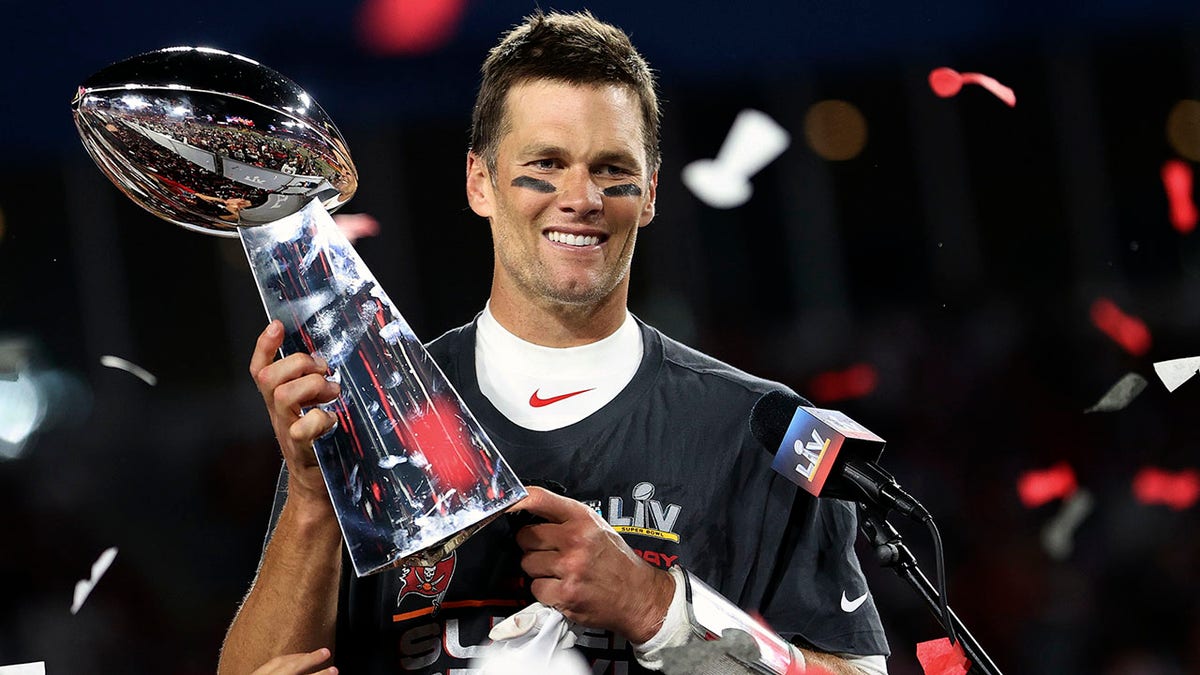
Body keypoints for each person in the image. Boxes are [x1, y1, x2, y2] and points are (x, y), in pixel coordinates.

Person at [218, 10, 890, 675]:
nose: (581, 197)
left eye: (612, 168)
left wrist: (660, 609)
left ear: (650, 192)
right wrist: (313, 499)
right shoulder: (366, 409)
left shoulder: (760, 434)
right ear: (478, 181)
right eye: (546, 162)